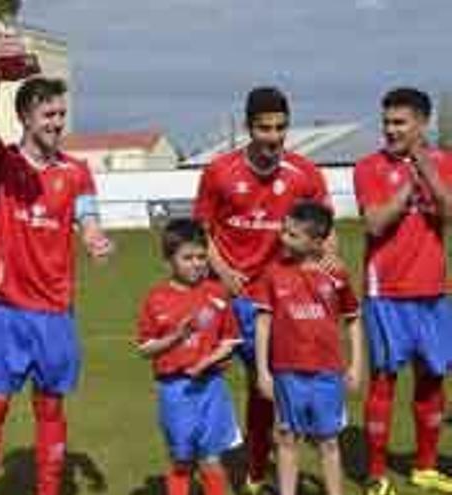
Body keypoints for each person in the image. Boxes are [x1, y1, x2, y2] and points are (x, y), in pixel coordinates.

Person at [0, 32, 113, 495]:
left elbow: (88, 218)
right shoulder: (2, 164)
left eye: (61, 114)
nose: (57, 122)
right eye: (48, 114)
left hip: (54, 311)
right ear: (26, 118)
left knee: (50, 408)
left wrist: (95, 240)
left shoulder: (76, 172)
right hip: (4, 309)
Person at [193, 86, 334, 493]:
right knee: (200, 382)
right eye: (264, 128)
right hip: (221, 297)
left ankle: (255, 470)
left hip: (273, 302)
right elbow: (202, 231)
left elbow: (324, 234)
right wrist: (222, 269)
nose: (273, 137)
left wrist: (326, 269)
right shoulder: (219, 171)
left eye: (281, 128)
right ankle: (197, 469)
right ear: (249, 126)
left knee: (265, 387)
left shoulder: (304, 174)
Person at [354, 88, 452, 495]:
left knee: (432, 379)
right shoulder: (368, 167)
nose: (390, 130)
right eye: (387, 122)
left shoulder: (446, 163)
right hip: (386, 292)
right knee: (383, 381)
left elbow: (449, 212)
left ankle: (425, 466)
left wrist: (425, 169)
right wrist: (408, 187)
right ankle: (377, 473)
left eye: (400, 122)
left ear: (422, 124)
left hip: (433, 289)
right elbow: (375, 224)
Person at [253, 201, 363, 495]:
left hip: (328, 373)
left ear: (316, 241)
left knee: (328, 440)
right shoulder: (272, 273)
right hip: (287, 372)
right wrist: (264, 372)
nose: (283, 238)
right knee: (287, 437)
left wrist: (355, 365)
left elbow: (353, 319)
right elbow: (262, 324)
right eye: (284, 231)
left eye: (292, 235)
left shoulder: (336, 274)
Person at [135, 219, 241, 495]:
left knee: (211, 459)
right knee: (181, 460)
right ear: (169, 259)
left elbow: (230, 340)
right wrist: (175, 338)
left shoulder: (217, 294)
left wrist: (210, 361)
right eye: (187, 257)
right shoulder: (156, 298)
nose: (196, 264)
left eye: (201, 257)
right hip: (175, 390)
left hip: (211, 388)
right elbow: (144, 348)